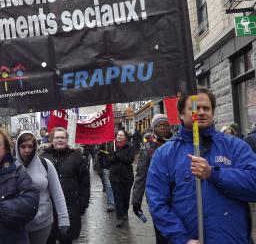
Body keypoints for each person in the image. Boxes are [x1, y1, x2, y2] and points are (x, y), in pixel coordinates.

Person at [146, 87, 256, 244]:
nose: (202, 112)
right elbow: (157, 202)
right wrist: (182, 239)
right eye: (195, 108)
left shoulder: (235, 146)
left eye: (207, 108)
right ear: (181, 115)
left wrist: (214, 174)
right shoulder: (165, 154)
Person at [15, 131, 70, 244]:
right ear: (17, 147)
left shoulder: (46, 164)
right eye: (23, 146)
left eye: (30, 146)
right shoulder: (11, 166)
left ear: (35, 147)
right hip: (17, 224)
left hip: (42, 223)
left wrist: (64, 219)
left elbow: (57, 193)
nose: (26, 150)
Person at [41, 127, 90, 243]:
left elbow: (85, 183)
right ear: (52, 140)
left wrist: (82, 205)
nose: (60, 140)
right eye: (57, 137)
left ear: (67, 140)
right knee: (49, 239)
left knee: (67, 239)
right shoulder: (43, 158)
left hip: (71, 208)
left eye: (63, 137)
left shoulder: (77, 158)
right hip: (49, 210)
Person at [131, 114, 172, 244]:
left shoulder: (176, 143)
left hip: (177, 195)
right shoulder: (147, 148)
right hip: (157, 197)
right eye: (159, 126)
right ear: (153, 129)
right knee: (162, 235)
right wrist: (136, 201)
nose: (162, 128)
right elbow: (141, 176)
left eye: (165, 125)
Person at [108, 130, 135, 228]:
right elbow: (109, 159)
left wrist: (118, 156)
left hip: (126, 177)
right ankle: (119, 217)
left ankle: (125, 212)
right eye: (118, 135)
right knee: (117, 197)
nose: (118, 136)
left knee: (125, 197)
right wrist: (112, 157)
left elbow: (129, 160)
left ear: (125, 137)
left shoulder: (130, 147)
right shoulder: (112, 146)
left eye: (121, 135)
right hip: (114, 177)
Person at [97, 143, 115, 212]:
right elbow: (99, 156)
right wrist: (99, 168)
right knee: (109, 186)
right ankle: (111, 203)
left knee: (115, 186)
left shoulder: (117, 143)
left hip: (116, 168)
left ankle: (117, 202)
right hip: (106, 167)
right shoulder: (103, 144)